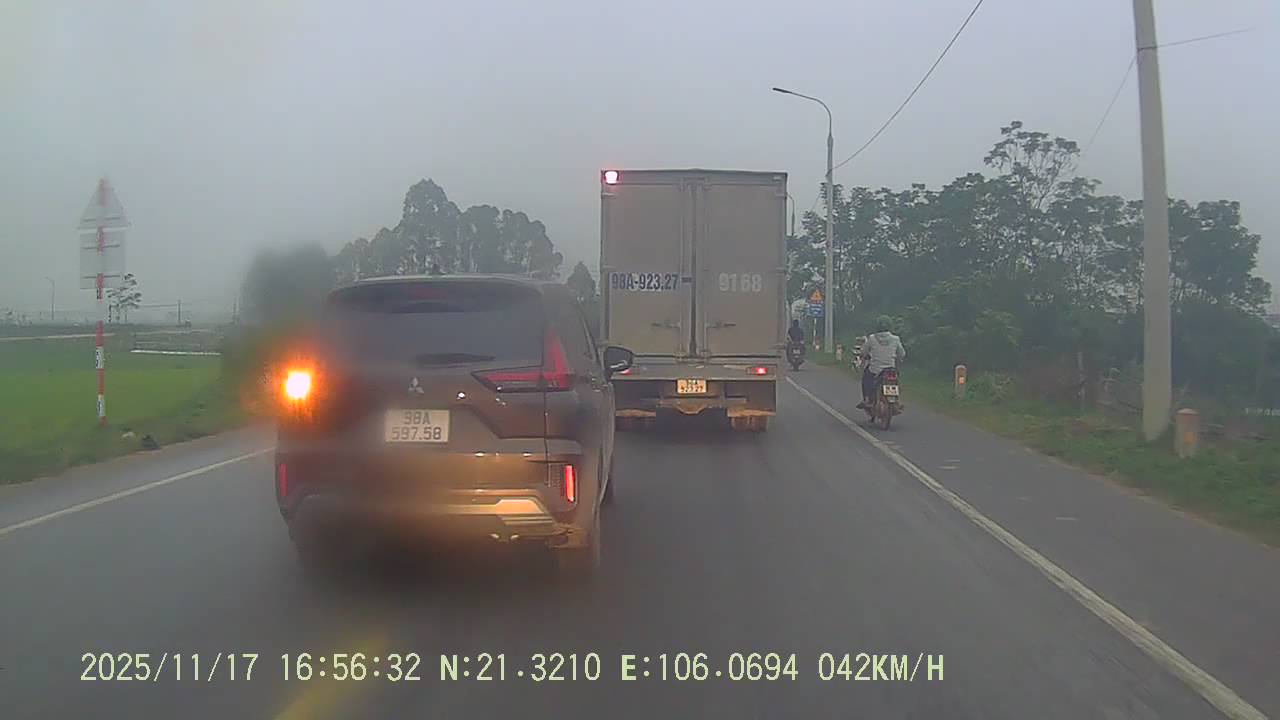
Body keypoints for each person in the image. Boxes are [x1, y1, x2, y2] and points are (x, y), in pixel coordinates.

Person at [858, 315, 906, 410]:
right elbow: (902, 353)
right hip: (890, 369)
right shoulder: (895, 339)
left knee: (866, 378)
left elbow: (863, 352)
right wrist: (897, 359)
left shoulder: (872, 338)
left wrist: (863, 356)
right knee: (895, 381)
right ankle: (896, 401)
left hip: (875, 370)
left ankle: (867, 399)